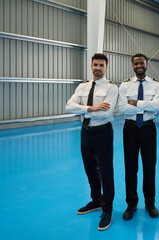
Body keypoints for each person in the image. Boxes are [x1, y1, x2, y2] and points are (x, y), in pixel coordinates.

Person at [65, 53, 118, 231]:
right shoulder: (82, 87)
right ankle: (96, 200)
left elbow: (106, 113)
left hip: (103, 132)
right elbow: (68, 107)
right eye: (95, 64)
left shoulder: (111, 88)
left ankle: (107, 209)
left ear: (106, 67)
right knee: (90, 169)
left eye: (101, 65)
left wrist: (82, 111)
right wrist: (91, 108)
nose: (98, 68)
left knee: (105, 171)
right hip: (86, 132)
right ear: (91, 66)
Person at [117, 53, 159, 220]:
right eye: (135, 64)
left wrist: (135, 103)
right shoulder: (124, 86)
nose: (138, 66)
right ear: (132, 66)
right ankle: (131, 204)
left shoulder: (156, 85)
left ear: (147, 64)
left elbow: (157, 107)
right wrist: (145, 107)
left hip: (148, 129)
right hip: (130, 129)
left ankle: (150, 203)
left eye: (141, 63)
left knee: (149, 167)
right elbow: (122, 108)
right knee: (130, 168)